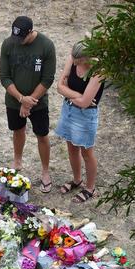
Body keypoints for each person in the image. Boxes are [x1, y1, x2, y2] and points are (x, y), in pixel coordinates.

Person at [0, 16, 56, 193]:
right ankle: (17, 161)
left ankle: (45, 172)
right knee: (17, 130)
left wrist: (29, 102)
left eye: (22, 38)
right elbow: (4, 77)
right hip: (14, 101)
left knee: (42, 135)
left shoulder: (46, 46)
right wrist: (21, 99)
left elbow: (47, 79)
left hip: (38, 103)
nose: (18, 42)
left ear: (31, 32)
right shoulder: (8, 44)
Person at [54, 41, 105, 202]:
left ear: (88, 57)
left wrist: (70, 94)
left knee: (87, 152)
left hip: (85, 116)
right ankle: (77, 179)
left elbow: (84, 103)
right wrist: (77, 96)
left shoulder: (99, 71)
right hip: (68, 110)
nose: (74, 62)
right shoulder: (73, 57)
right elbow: (59, 87)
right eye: (73, 58)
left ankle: (90, 188)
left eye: (78, 60)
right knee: (71, 147)